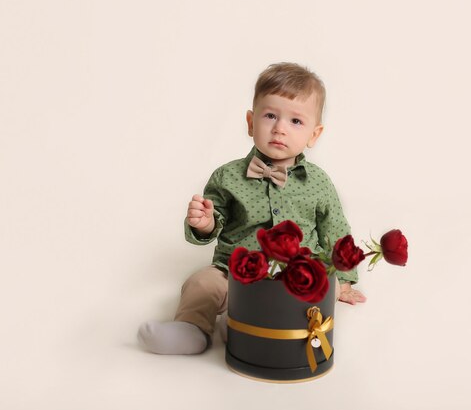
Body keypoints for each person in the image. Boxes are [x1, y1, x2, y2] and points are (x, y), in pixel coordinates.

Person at [138, 62, 366, 355]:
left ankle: (241, 323)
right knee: (202, 283)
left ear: (314, 134)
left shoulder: (319, 183)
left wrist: (344, 280)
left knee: (325, 288)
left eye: (296, 121)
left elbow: (335, 230)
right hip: (234, 274)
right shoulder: (227, 176)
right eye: (270, 115)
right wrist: (204, 223)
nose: (280, 128)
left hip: (297, 277)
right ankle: (192, 330)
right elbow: (214, 222)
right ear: (250, 122)